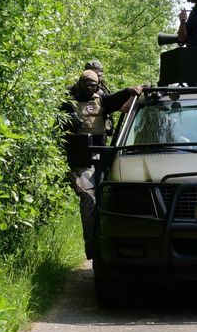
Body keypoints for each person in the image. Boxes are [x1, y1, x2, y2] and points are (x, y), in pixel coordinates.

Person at [60, 70, 144, 259]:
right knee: (89, 201)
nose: (91, 89)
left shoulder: (101, 99)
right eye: (88, 85)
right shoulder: (68, 102)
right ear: (80, 83)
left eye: (94, 86)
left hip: (102, 157)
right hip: (81, 161)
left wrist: (130, 90)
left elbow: (114, 100)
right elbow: (59, 133)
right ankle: (92, 250)